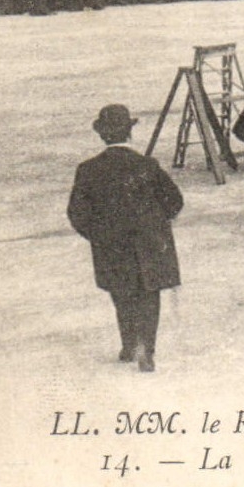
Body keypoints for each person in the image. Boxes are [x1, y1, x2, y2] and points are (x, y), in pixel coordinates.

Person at [68, 103, 184, 372]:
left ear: (102, 135)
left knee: (122, 294)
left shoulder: (88, 170)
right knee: (149, 294)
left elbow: (77, 213)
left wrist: (98, 235)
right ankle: (148, 349)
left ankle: (129, 344)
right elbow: (175, 201)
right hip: (150, 243)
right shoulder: (147, 165)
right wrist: (158, 224)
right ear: (129, 133)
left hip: (111, 244)